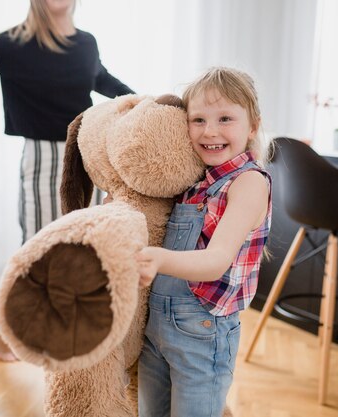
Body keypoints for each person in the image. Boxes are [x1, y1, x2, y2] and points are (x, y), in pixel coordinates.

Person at [0, 0, 135, 362]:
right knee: (36, 249)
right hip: (41, 159)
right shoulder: (13, 43)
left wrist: (142, 102)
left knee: (83, 248)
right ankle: (0, 327)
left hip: (84, 153)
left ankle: (72, 333)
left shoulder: (86, 43)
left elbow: (102, 79)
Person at [135, 67, 273, 417]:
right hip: (158, 329)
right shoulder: (195, 180)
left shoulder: (249, 183)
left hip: (203, 332)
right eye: (198, 120)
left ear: (252, 126)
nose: (210, 131)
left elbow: (216, 260)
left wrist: (157, 259)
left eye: (225, 118)